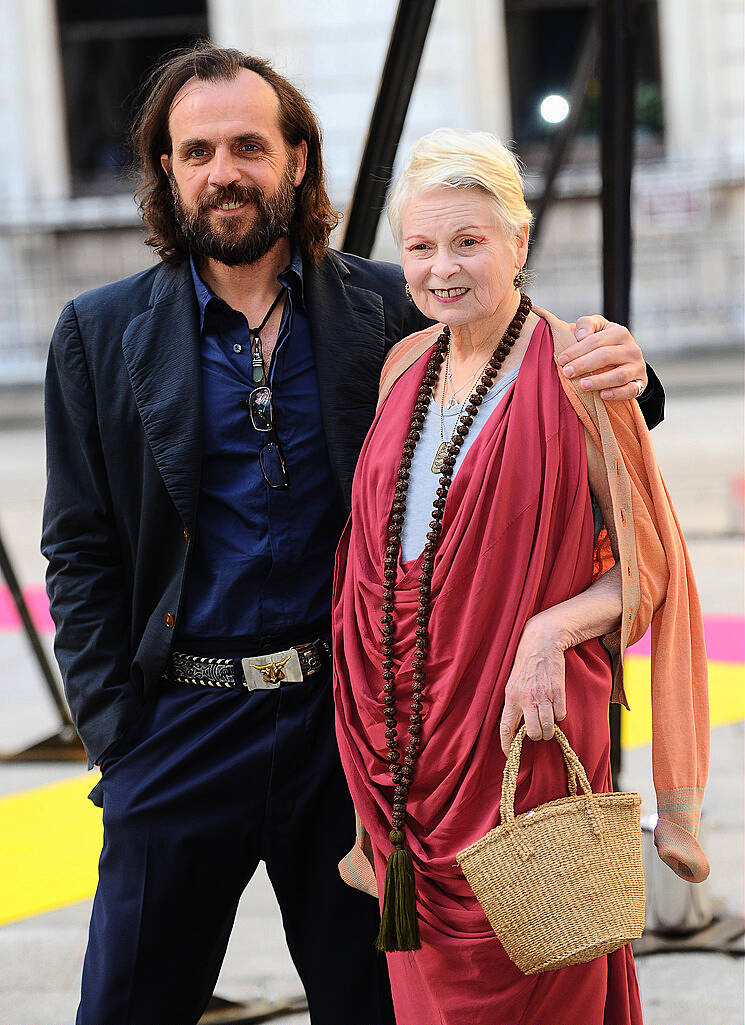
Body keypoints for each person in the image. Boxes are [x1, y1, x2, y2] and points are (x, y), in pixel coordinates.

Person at [41, 44, 663, 1025]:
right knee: (125, 1003)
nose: (223, 170)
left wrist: (628, 364)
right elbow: (77, 546)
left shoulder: (389, 300)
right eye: (195, 150)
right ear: (166, 170)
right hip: (180, 728)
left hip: (354, 736)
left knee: (375, 1008)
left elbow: (520, 354)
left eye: (249, 144)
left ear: (296, 159)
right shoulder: (98, 330)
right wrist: (119, 737)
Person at [333, 129, 709, 1025]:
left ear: (518, 242)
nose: (441, 268)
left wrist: (547, 631)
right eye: (420, 247)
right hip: (405, 752)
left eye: (468, 241)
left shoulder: (579, 369)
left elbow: (649, 567)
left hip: (520, 734)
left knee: (541, 978)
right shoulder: (400, 368)